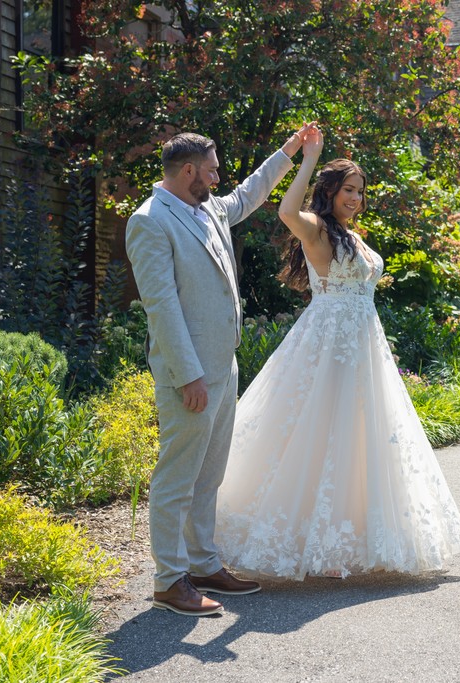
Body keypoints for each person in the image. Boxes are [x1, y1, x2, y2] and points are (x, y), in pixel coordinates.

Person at [214, 124, 460, 579]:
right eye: (348, 190)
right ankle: (303, 543)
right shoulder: (317, 231)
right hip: (327, 347)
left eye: (360, 191)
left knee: (359, 442)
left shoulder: (352, 237)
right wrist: (308, 156)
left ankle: (349, 541)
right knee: (317, 436)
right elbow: (287, 210)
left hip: (364, 350)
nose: (356, 198)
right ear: (330, 192)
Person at [126, 125, 312, 616]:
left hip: (222, 364)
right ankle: (169, 581)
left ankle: (204, 564)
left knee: (208, 475)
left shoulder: (206, 207)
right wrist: (187, 375)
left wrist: (289, 151)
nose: (218, 175)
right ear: (188, 171)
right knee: (177, 478)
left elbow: (249, 194)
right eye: (211, 168)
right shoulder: (149, 221)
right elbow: (161, 305)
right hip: (188, 373)